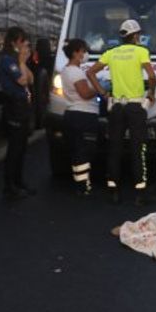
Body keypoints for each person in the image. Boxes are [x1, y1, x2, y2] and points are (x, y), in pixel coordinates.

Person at [87, 19, 156, 205]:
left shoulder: (111, 53)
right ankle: (140, 193)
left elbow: (90, 73)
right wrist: (150, 93)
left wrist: (102, 92)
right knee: (138, 148)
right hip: (135, 106)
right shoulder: (141, 51)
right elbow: (151, 75)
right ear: (134, 36)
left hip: (116, 106)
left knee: (115, 147)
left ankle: (113, 189)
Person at [0, 26, 36, 200]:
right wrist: (21, 60)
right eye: (22, 42)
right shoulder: (7, 60)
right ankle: (10, 186)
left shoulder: (16, 61)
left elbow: (31, 79)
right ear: (13, 42)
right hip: (13, 107)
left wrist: (23, 62)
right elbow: (21, 80)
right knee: (14, 148)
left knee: (22, 147)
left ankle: (19, 182)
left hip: (22, 107)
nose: (24, 46)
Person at [61, 38, 99, 195]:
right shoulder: (75, 72)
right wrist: (98, 88)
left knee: (77, 151)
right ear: (75, 52)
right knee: (83, 151)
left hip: (73, 114)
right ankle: (83, 186)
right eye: (83, 51)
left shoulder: (66, 70)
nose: (85, 54)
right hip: (82, 115)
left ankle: (80, 184)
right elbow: (85, 94)